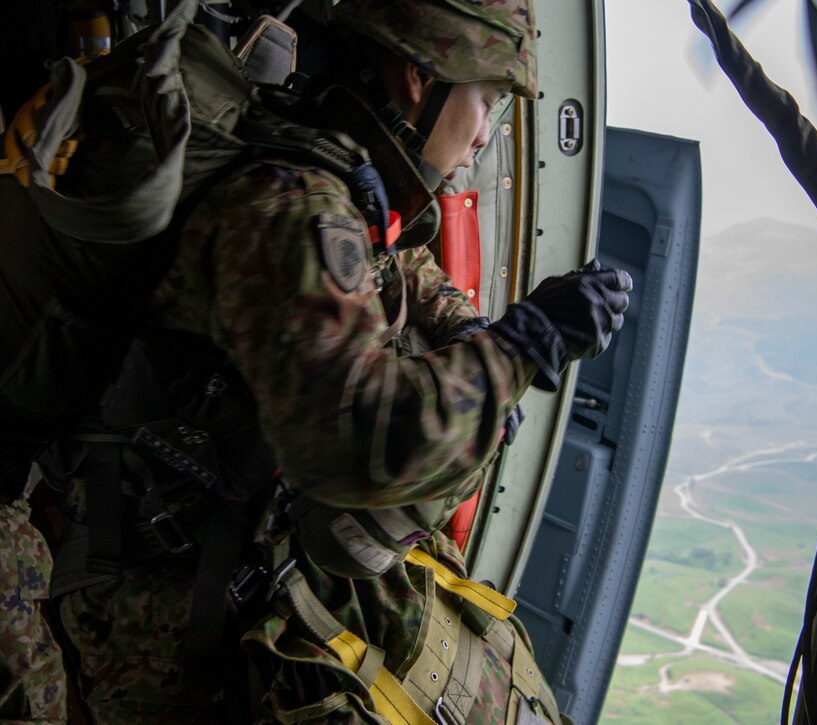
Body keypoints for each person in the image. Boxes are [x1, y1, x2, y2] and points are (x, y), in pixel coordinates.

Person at [40, 0, 632, 722]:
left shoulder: (328, 158)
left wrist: (473, 329)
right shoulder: (289, 202)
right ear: (420, 77)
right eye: (486, 104)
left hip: (230, 550)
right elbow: (359, 441)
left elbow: (397, 261)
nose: (483, 135)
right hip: (169, 612)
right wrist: (520, 348)